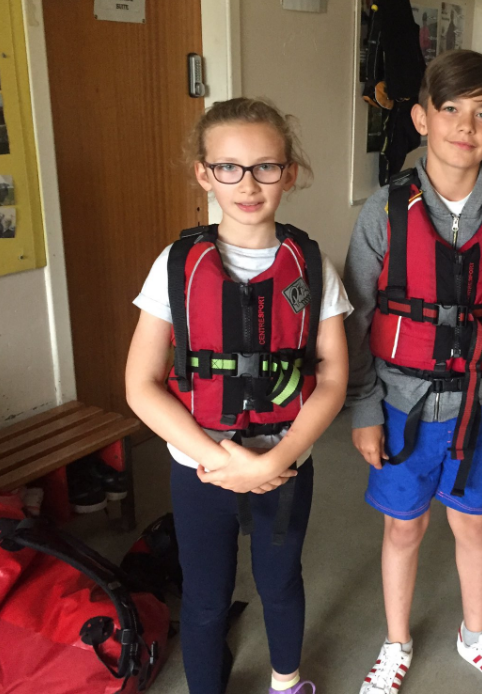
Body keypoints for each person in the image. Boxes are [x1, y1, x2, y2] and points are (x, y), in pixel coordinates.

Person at [126, 97, 350, 694]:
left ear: (289, 173)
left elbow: (332, 377)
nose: (248, 184)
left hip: (286, 464)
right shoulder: (175, 266)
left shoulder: (313, 267)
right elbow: (140, 384)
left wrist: (278, 459)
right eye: (229, 167)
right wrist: (219, 459)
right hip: (198, 467)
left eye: (265, 167)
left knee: (280, 582)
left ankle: (287, 682)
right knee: (205, 597)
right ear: (205, 173)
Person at [344, 49, 482, 694]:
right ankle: (396, 642)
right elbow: (356, 317)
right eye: (451, 108)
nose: (466, 125)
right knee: (403, 528)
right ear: (421, 118)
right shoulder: (383, 210)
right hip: (400, 409)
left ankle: (475, 635)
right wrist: (364, 407)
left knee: (476, 525)